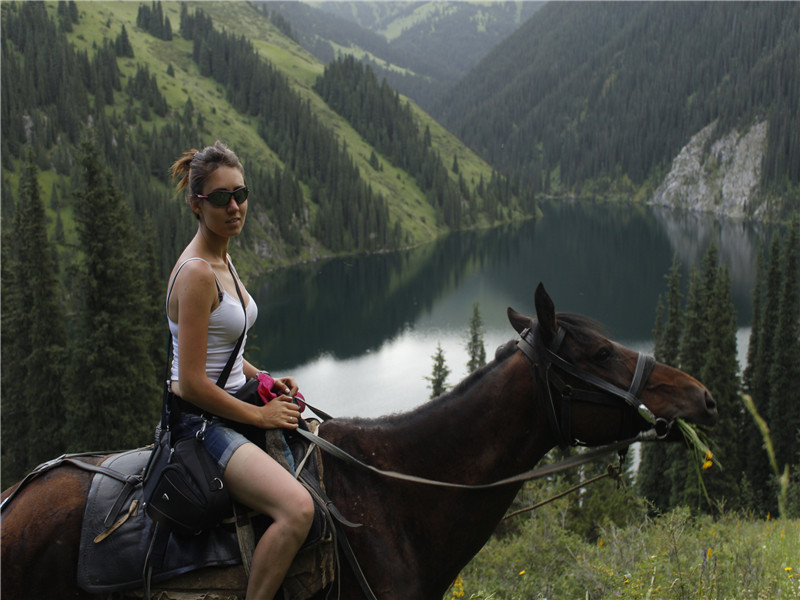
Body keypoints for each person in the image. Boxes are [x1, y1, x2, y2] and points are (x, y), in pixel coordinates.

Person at [166, 141, 314, 599]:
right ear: (197, 204)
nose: (234, 206)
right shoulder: (196, 273)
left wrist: (262, 378)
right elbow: (190, 382)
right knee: (297, 509)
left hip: (231, 405)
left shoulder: (223, 256)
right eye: (220, 198)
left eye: (240, 194)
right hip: (201, 424)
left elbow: (224, 348)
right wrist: (260, 416)